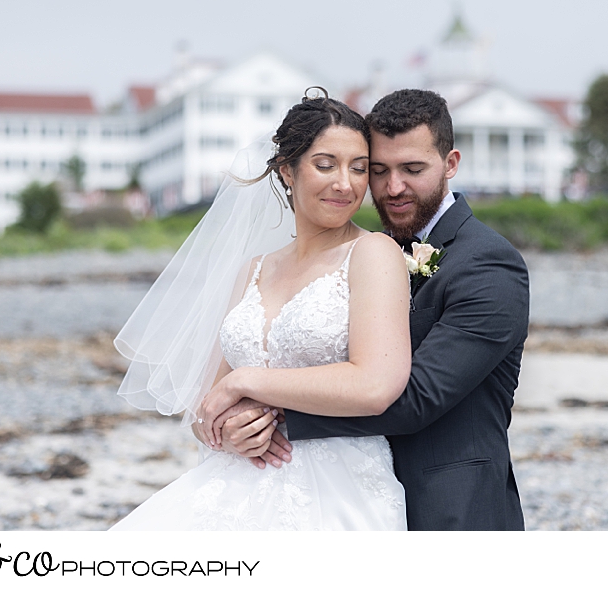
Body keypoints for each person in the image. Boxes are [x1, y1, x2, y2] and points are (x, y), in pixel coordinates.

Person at [210, 88, 529, 531]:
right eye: (377, 170)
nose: (392, 187)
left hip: (448, 508)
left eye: (412, 169)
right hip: (317, 492)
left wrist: (261, 407)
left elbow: (416, 397)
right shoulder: (369, 250)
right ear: (288, 172)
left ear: (450, 164)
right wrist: (228, 427)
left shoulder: (488, 264)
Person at [110, 89, 411, 531]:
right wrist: (225, 432)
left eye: (359, 168)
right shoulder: (253, 270)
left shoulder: (373, 253)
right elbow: (205, 404)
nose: (345, 183)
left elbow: (376, 384)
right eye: (325, 165)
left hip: (337, 490)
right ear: (288, 170)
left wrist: (249, 380)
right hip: (236, 482)